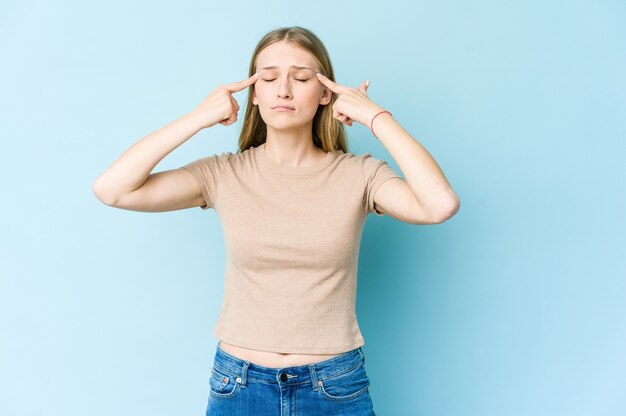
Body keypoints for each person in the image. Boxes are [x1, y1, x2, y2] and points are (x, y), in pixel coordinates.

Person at [92, 25, 459, 416]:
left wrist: (376, 118)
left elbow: (438, 205)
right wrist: (198, 117)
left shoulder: (360, 175)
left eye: (300, 78)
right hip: (240, 385)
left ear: (324, 94)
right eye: (268, 77)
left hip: (334, 383)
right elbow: (113, 189)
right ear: (255, 94)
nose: (283, 89)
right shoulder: (223, 175)